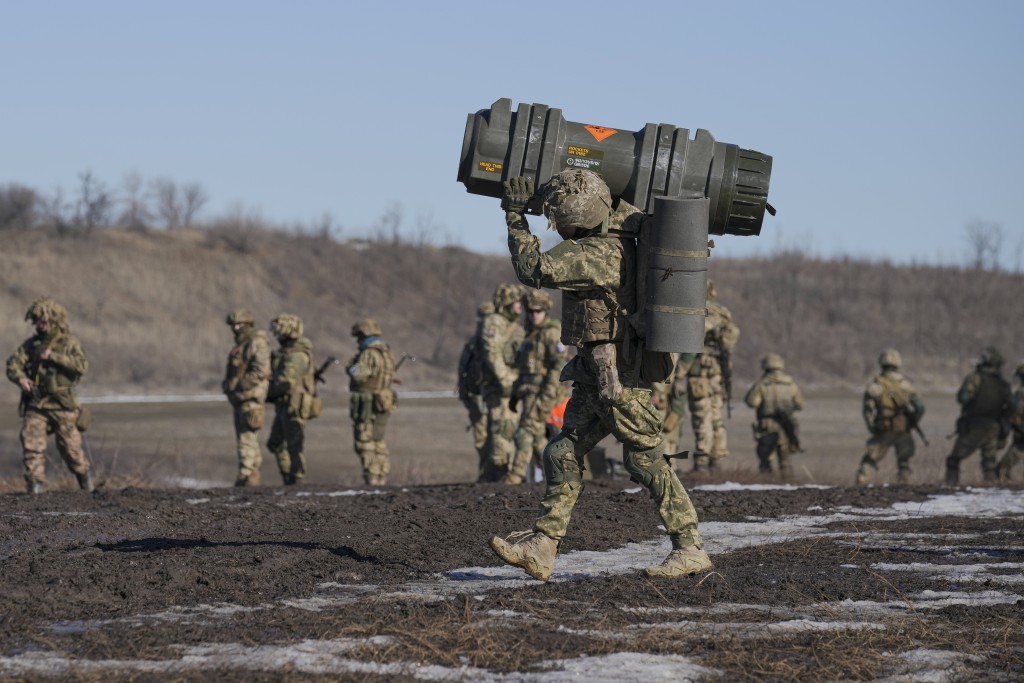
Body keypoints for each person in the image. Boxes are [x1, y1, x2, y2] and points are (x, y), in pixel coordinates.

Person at [489, 168, 711, 580]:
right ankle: (543, 545)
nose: (560, 226)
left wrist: (515, 216)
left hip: (621, 378)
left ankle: (690, 547)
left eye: (561, 217)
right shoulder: (613, 238)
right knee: (562, 452)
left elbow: (533, 269)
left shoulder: (598, 253)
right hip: (597, 371)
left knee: (645, 461)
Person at [6, 297, 92, 494]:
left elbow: (82, 366)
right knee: (31, 444)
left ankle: (87, 485)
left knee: (71, 451)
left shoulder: (68, 343)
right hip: (37, 403)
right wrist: (20, 379)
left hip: (62, 404)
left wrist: (54, 357)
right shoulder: (32, 344)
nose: (38, 324)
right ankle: (35, 487)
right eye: (35, 320)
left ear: (53, 319)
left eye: (41, 320)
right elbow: (13, 364)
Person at [505, 289, 568, 485]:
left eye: (538, 311)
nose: (534, 315)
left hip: (543, 395)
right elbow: (524, 370)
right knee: (538, 439)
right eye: (531, 311)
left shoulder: (551, 333)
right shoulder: (530, 334)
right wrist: (515, 394)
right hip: (528, 393)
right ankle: (559, 476)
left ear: (545, 311)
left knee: (524, 433)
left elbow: (557, 370)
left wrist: (545, 400)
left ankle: (515, 477)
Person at [685, 279, 739, 472]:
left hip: (700, 372)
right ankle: (717, 458)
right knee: (716, 415)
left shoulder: (697, 311)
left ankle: (701, 459)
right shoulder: (723, 312)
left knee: (701, 414)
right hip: (719, 372)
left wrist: (681, 369)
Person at [855, 349, 926, 485]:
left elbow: (868, 410)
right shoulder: (906, 385)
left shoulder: (876, 386)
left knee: (869, 460)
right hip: (903, 429)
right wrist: (911, 423)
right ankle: (905, 490)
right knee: (904, 463)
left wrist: (872, 427)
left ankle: (860, 485)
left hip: (883, 429)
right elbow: (920, 407)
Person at [477, 282, 525, 482]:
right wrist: (506, 380)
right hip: (499, 389)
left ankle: (499, 474)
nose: (521, 306)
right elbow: (493, 353)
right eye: (517, 302)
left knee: (510, 430)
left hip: (512, 387)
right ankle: (497, 473)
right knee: (501, 431)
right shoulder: (495, 322)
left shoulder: (513, 325)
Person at [945, 346, 1013, 485]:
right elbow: (1012, 406)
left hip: (975, 427)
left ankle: (950, 489)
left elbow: (963, 398)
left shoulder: (975, 378)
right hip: (994, 427)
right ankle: (991, 493)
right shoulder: (1003, 384)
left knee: (954, 460)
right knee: (989, 463)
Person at [221, 308, 271, 487]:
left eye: (239, 324)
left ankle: (247, 474)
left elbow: (261, 370)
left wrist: (239, 385)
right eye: (233, 325)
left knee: (246, 436)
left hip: (250, 396)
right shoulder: (242, 344)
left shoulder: (256, 342)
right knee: (246, 436)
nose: (235, 328)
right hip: (241, 397)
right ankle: (250, 474)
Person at [266, 313, 316, 486]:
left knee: (294, 444)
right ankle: (288, 477)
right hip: (284, 403)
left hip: (294, 404)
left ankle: (296, 479)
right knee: (276, 443)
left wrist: (268, 392)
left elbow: (286, 380)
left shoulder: (297, 354)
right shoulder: (286, 352)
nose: (276, 335)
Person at [348, 318, 397, 486]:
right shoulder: (386, 352)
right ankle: (382, 477)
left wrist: (351, 366)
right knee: (379, 440)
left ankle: (373, 478)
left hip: (367, 403)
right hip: (383, 401)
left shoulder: (368, 353)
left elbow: (358, 374)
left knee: (365, 441)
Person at [744, 353, 805, 479]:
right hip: (786, 425)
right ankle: (788, 486)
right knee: (785, 460)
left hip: (768, 425)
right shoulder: (790, 385)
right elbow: (800, 405)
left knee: (765, 459)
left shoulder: (762, 385)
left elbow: (752, 402)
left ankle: (766, 485)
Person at [456, 301, 493, 478]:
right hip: (477, 397)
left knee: (498, 439)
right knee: (481, 440)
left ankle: (495, 474)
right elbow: (463, 369)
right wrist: (464, 393)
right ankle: (486, 473)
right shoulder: (472, 344)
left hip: (494, 397)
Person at [996, 363, 1024, 482]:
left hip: (1021, 435)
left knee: (1003, 467)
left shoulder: (1020, 393)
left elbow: (1016, 412)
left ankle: (1003, 476)